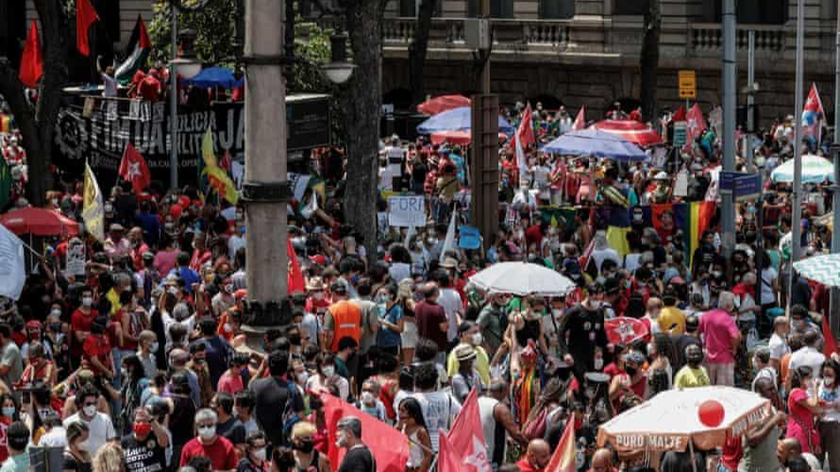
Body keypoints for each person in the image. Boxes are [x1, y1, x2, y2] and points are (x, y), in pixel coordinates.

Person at [249, 350, 303, 448]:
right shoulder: (293, 389)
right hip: (282, 444)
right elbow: (302, 415)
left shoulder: (255, 385)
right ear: (286, 369)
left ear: (269, 366)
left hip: (258, 440)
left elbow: (250, 385)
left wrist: (262, 368)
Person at [479, 378, 529, 468]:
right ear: (503, 391)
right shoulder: (500, 408)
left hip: (476, 458)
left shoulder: (477, 401)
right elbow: (516, 434)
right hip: (492, 462)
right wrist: (530, 447)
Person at [739, 377, 786, 472]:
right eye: (770, 389)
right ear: (758, 392)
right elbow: (752, 441)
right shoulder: (750, 412)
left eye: (774, 388)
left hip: (773, 467)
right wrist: (773, 421)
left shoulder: (771, 408)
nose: (774, 392)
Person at [697, 291, 741, 386]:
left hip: (708, 356)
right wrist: (734, 349)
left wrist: (701, 345)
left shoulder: (706, 315)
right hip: (724, 359)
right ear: (729, 305)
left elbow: (696, 331)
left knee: (708, 387)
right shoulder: (728, 319)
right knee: (724, 392)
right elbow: (735, 336)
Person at [63, 385, 117, 455]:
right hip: (80, 463)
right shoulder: (68, 423)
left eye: (94, 403)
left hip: (101, 463)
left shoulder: (105, 419)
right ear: (80, 404)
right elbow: (68, 448)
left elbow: (112, 442)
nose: (92, 406)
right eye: (88, 404)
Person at [786, 366, 821, 455]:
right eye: (809, 378)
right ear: (801, 379)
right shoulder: (797, 392)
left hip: (804, 431)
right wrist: (815, 389)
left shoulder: (801, 391)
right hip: (798, 433)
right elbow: (814, 406)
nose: (811, 381)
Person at [120, 407, 168, 472]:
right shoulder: (124, 442)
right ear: (133, 423)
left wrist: (150, 419)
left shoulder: (156, 436)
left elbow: (164, 442)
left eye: (145, 421)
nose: (141, 424)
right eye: (138, 421)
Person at [396, 398, 432, 472]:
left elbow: (428, 455)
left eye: (403, 411)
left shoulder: (420, 431)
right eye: (399, 410)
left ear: (413, 413)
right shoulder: (402, 427)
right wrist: (398, 428)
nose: (399, 414)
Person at [817, 359, 840, 472]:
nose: (827, 377)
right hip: (819, 424)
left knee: (835, 459)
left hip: (834, 425)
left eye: (830, 375)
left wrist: (835, 406)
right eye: (825, 374)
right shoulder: (819, 384)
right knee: (818, 458)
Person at [414, 284, 449, 357]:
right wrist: (447, 319)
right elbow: (444, 328)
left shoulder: (418, 306)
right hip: (436, 348)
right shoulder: (438, 309)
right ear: (436, 293)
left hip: (423, 346)